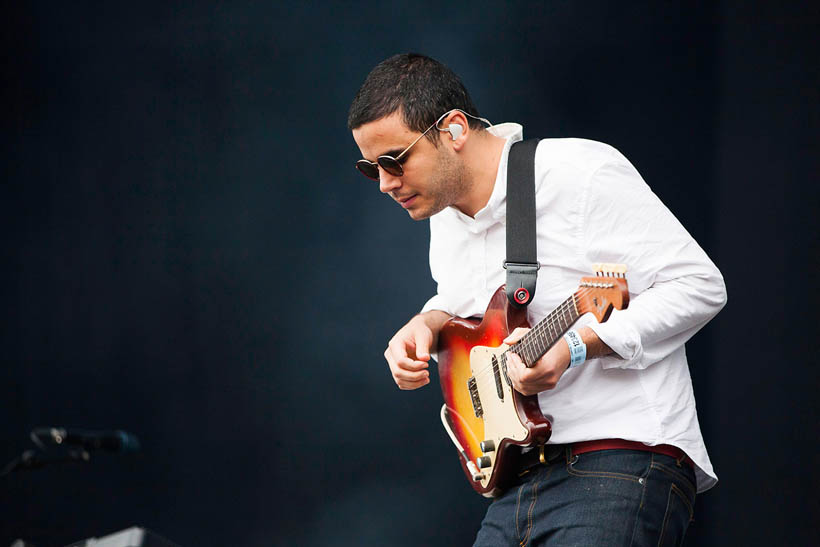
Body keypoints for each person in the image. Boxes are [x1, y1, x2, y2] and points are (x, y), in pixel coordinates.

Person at [348, 53, 726, 546]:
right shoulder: (445, 218)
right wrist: (428, 323)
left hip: (617, 460)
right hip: (519, 482)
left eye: (394, 160)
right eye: (369, 167)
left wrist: (577, 347)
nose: (384, 183)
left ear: (455, 129)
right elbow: (468, 310)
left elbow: (699, 284)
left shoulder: (578, 172)